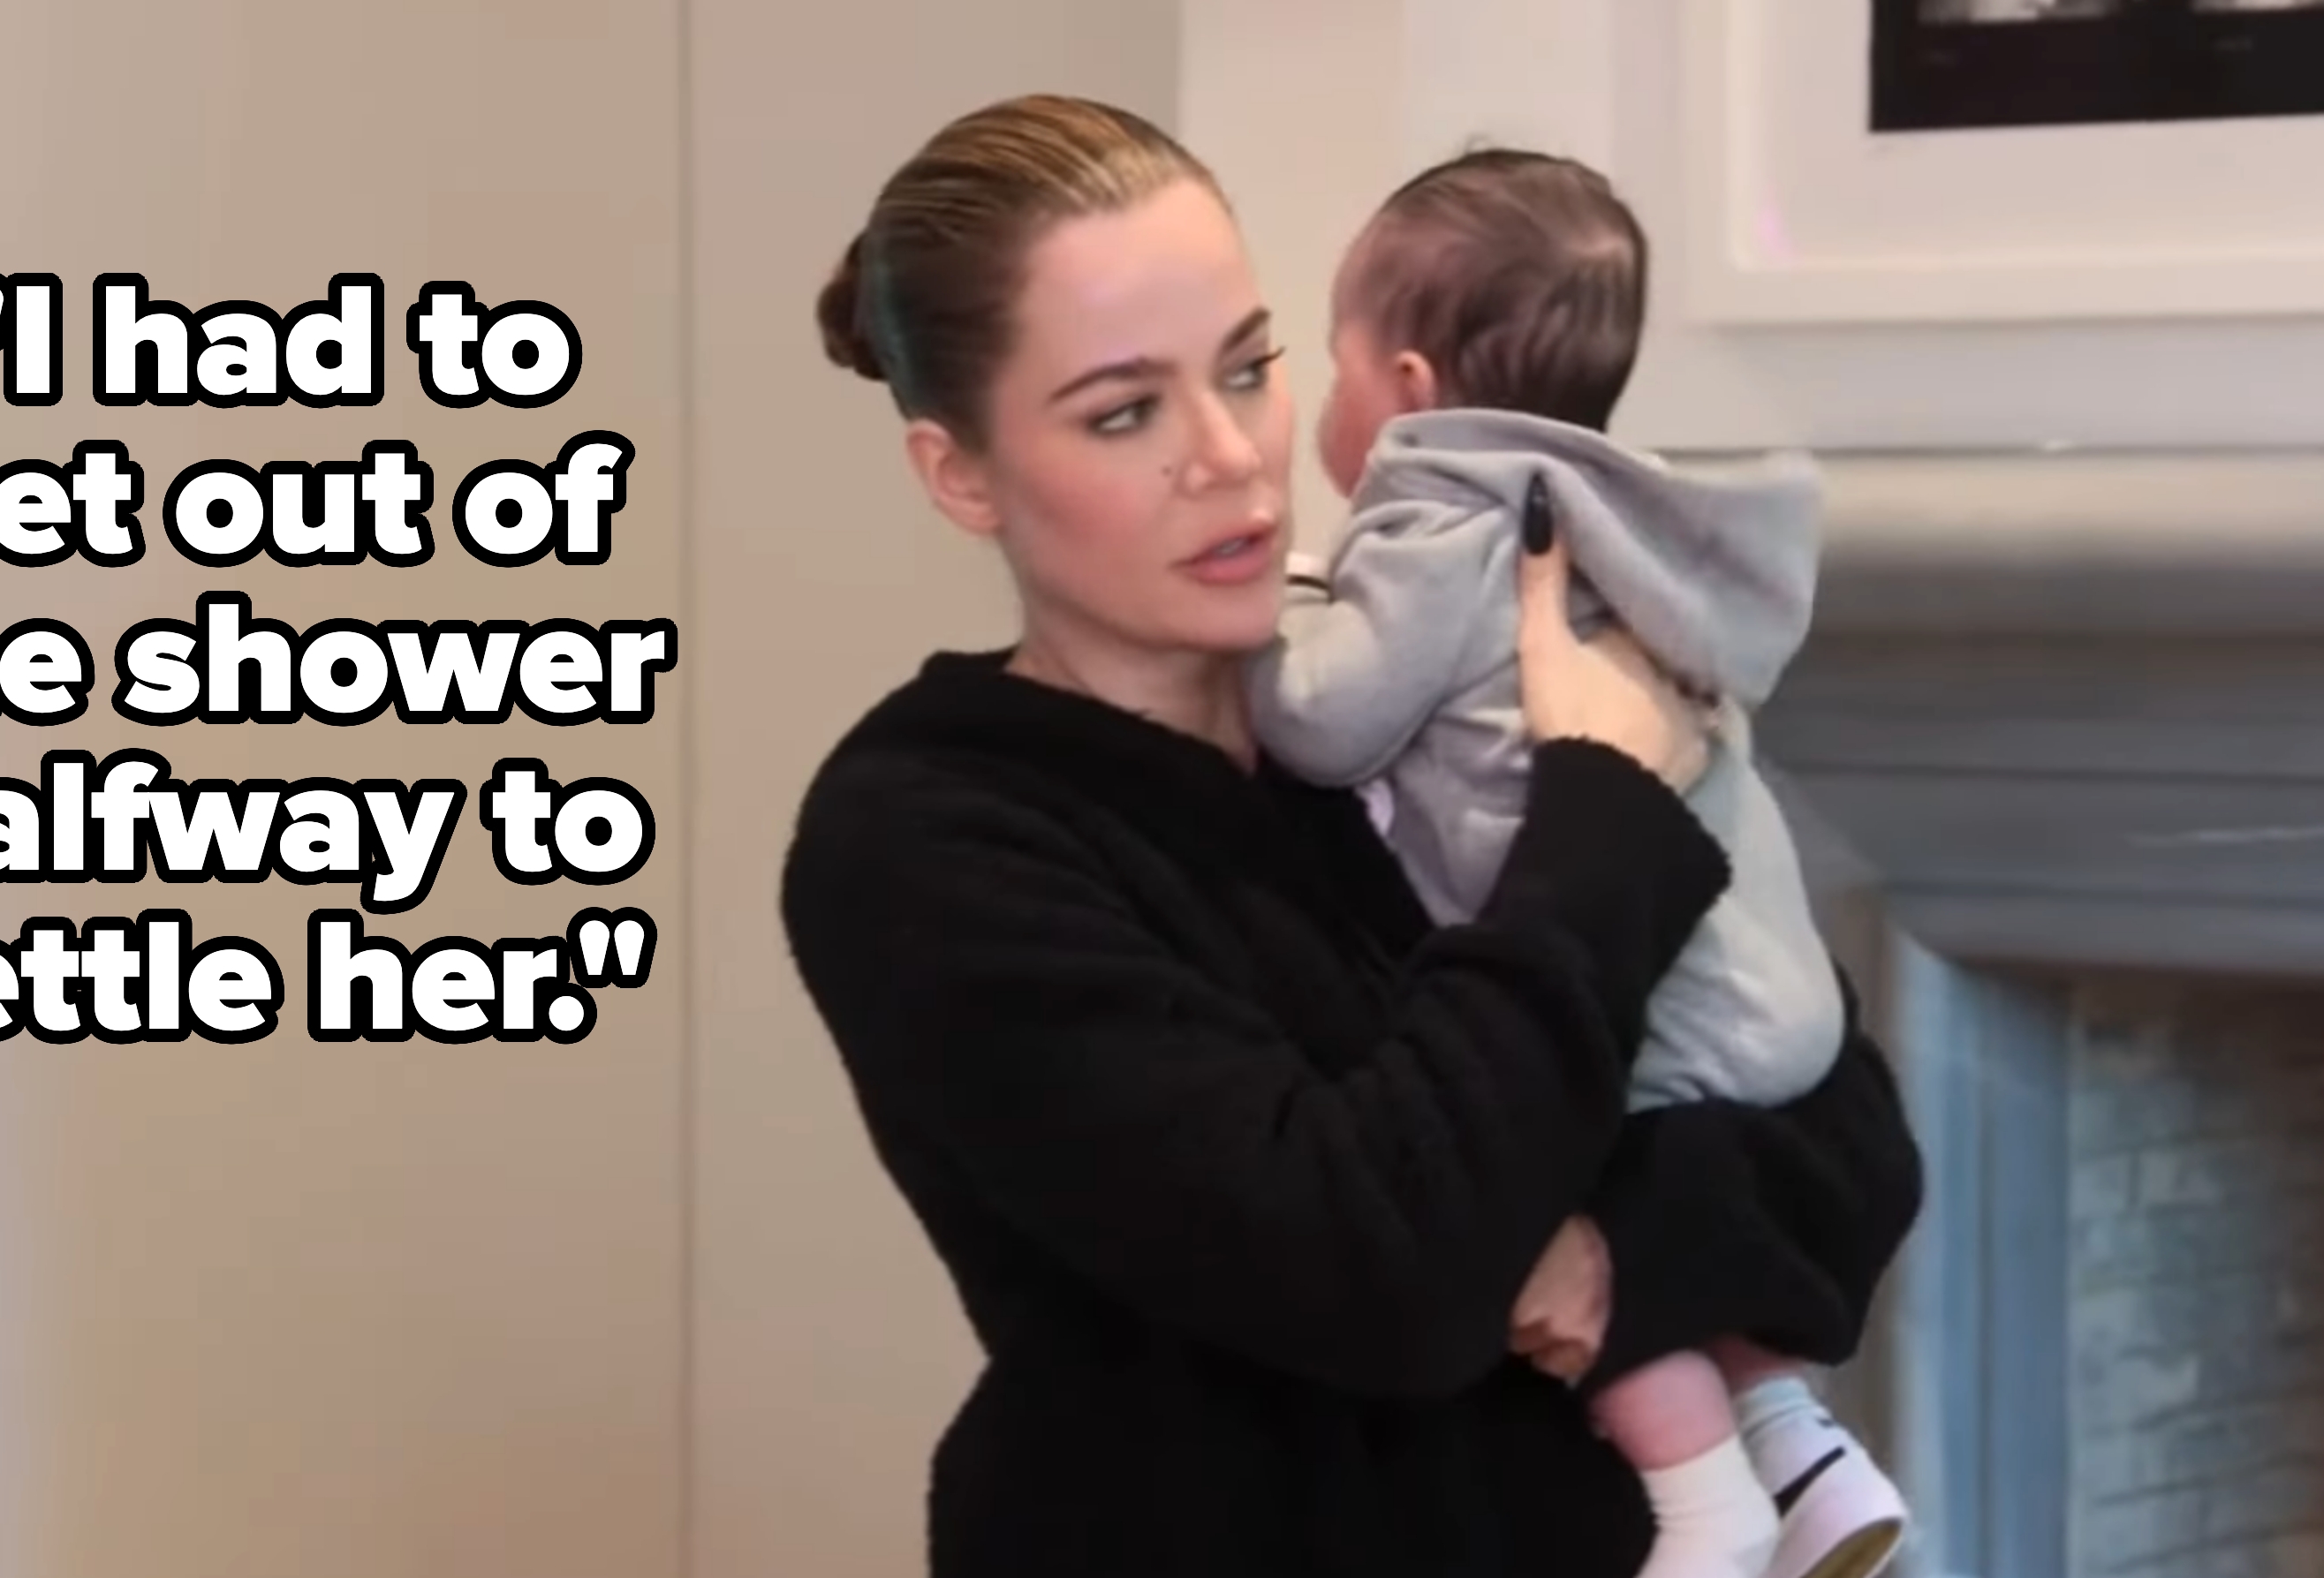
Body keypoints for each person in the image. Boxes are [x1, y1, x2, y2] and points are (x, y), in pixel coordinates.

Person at [779, 93, 1922, 1578]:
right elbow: (1383, 1269)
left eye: (1248, 368)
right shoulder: (928, 835)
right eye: (1124, 412)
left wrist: (1608, 1245)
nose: (1231, 456)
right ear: (962, 473)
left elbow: (1849, 1143)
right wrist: (1603, 810)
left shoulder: (1430, 689)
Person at [1246, 147, 1909, 1578]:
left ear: (1408, 387)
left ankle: (1705, 1504)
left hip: (1653, 990)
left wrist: (1269, 631)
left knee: (1568, 1180)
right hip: (1776, 985)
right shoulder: (1626, 514)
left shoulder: (1434, 511)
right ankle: (1798, 1442)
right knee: (1663, 1191)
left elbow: (1328, 719)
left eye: (1318, 364)